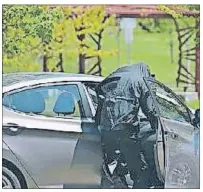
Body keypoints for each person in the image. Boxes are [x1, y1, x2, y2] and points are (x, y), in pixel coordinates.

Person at [95, 62, 158, 188]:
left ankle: (116, 179)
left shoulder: (115, 76)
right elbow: (150, 109)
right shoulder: (141, 80)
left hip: (106, 130)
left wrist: (97, 122)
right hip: (125, 130)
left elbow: (100, 95)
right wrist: (156, 125)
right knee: (139, 170)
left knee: (114, 164)